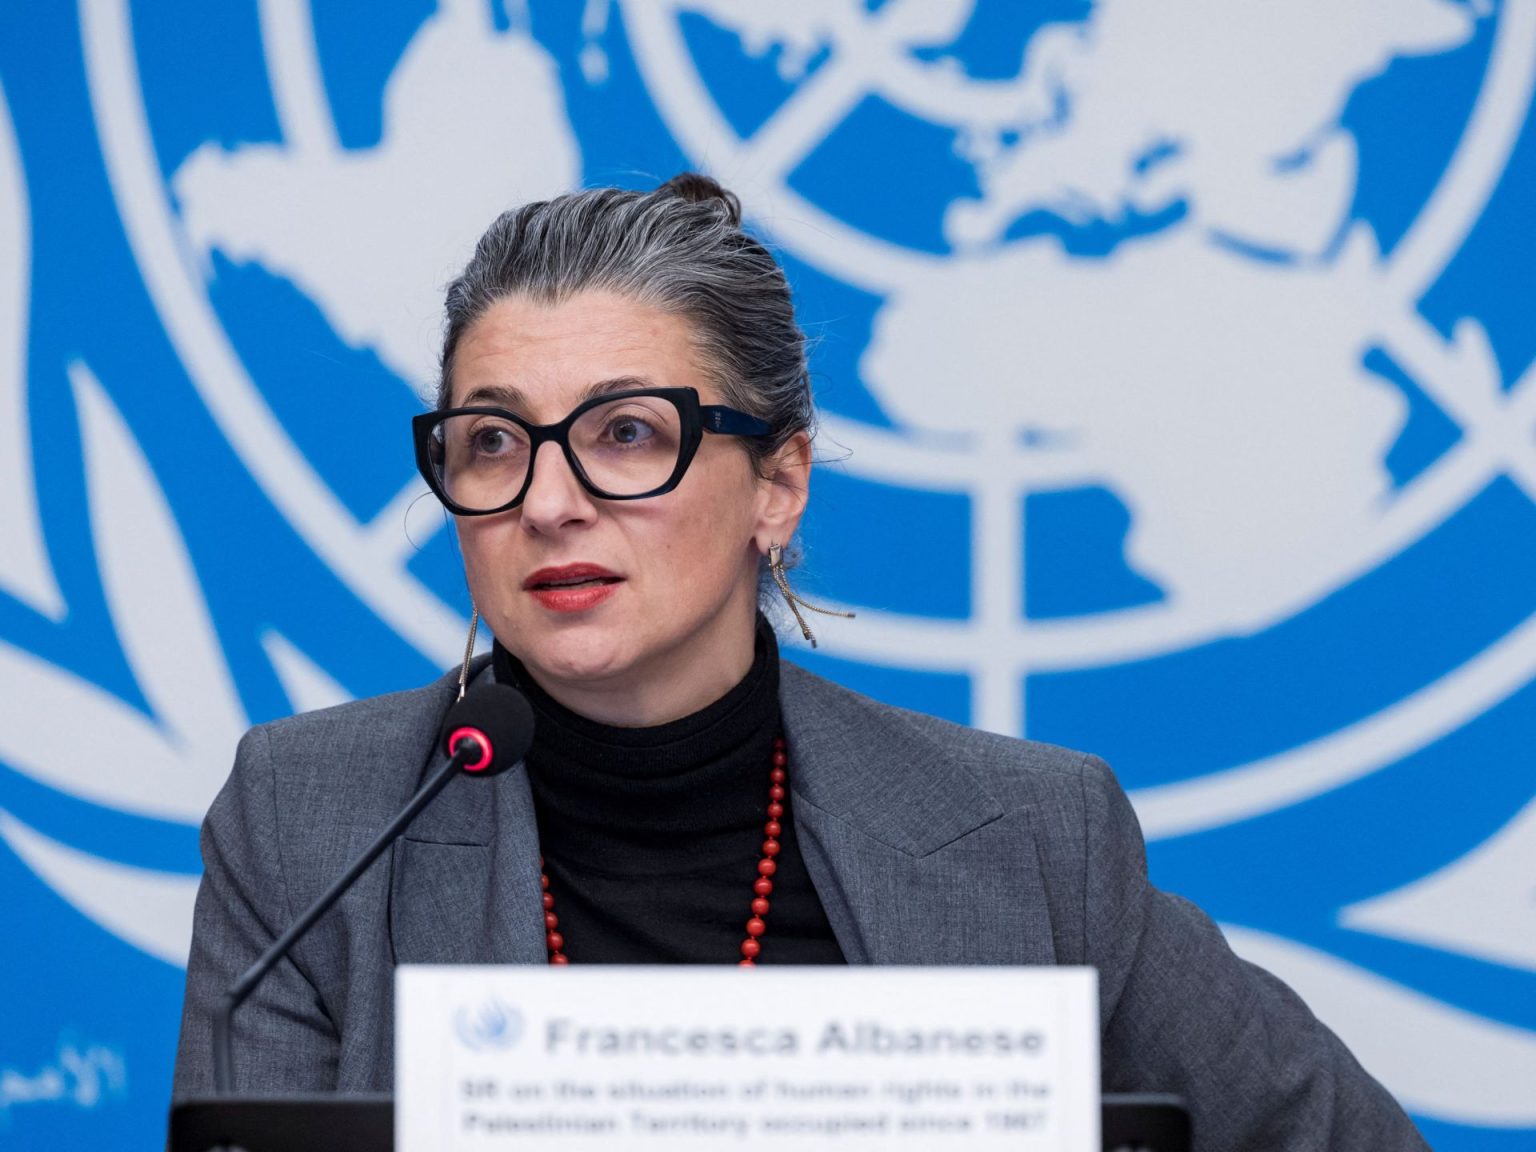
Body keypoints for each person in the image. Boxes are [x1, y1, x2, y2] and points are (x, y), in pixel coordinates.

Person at [174, 174, 1428, 1148]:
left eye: (626, 433)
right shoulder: (311, 824)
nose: (548, 502)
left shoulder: (1033, 838)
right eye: (493, 442)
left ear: (777, 484)